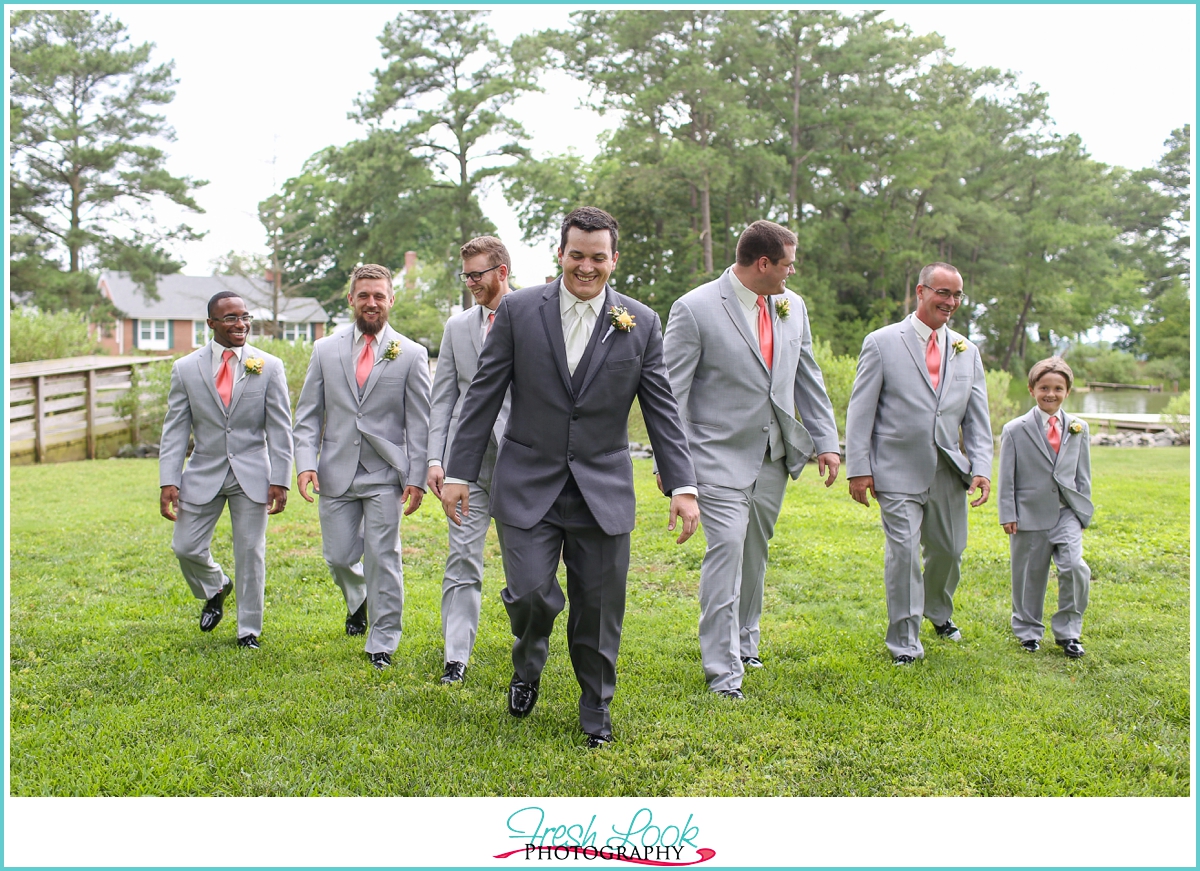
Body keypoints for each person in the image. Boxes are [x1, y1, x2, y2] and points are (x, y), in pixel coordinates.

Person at [440, 206, 699, 748]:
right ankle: (528, 663)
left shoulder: (641, 322)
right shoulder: (516, 311)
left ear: (613, 259)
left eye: (598, 258)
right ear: (560, 254)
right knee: (532, 594)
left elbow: (663, 410)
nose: (586, 267)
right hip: (527, 482)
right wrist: (460, 470)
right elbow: (482, 395)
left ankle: (596, 707)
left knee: (600, 609)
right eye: (576, 255)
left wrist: (682, 485)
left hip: (602, 488)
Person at [661, 220, 841, 699]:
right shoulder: (694, 309)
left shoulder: (791, 305)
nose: (792, 273)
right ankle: (723, 673)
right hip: (714, 456)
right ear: (763, 263)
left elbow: (808, 374)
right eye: (788, 264)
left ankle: (745, 642)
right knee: (727, 551)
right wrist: (675, 472)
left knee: (754, 553)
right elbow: (670, 396)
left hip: (772, 456)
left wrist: (826, 440)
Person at [844, 261, 993, 665]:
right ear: (921, 291)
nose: (951, 302)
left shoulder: (967, 350)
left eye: (957, 295)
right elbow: (861, 411)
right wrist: (858, 468)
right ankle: (905, 643)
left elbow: (977, 417)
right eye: (943, 292)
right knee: (905, 554)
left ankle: (939, 612)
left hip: (949, 470)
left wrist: (981, 467)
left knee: (949, 550)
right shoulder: (881, 342)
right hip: (896, 469)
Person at [292, 263, 431, 670]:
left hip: (384, 474)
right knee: (337, 557)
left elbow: (419, 423)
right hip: (335, 470)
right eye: (364, 295)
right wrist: (305, 464)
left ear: (391, 300)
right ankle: (359, 599)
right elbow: (307, 415)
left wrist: (416, 477)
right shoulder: (324, 350)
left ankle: (383, 640)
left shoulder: (411, 354)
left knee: (383, 555)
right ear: (351, 299)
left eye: (379, 296)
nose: (372, 302)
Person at [159, 291, 293, 649]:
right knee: (185, 546)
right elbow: (175, 428)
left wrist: (281, 479)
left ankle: (248, 630)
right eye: (231, 318)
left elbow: (280, 428)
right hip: (203, 471)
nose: (241, 324)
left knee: (250, 552)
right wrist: (168, 480)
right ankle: (215, 585)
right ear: (212, 324)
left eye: (245, 316)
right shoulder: (186, 369)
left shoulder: (268, 365)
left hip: (253, 474)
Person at [426, 236, 515, 685]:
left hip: (524, 465)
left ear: (502, 271)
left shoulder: (537, 316)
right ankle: (455, 657)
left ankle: (528, 645)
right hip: (469, 467)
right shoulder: (457, 328)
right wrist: (437, 458)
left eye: (477, 274)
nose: (471, 283)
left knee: (527, 571)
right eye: (466, 276)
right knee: (462, 557)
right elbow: (443, 400)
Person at [998, 356, 1093, 659]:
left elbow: (1083, 474)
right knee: (1029, 575)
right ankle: (1028, 631)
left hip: (1067, 514)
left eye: (1058, 388)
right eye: (1044, 388)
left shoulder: (1079, 427)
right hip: (1028, 514)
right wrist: (1008, 513)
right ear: (1031, 389)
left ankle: (1069, 632)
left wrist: (1081, 512)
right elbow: (1007, 476)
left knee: (1075, 568)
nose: (1050, 394)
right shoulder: (1015, 429)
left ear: (1067, 391)